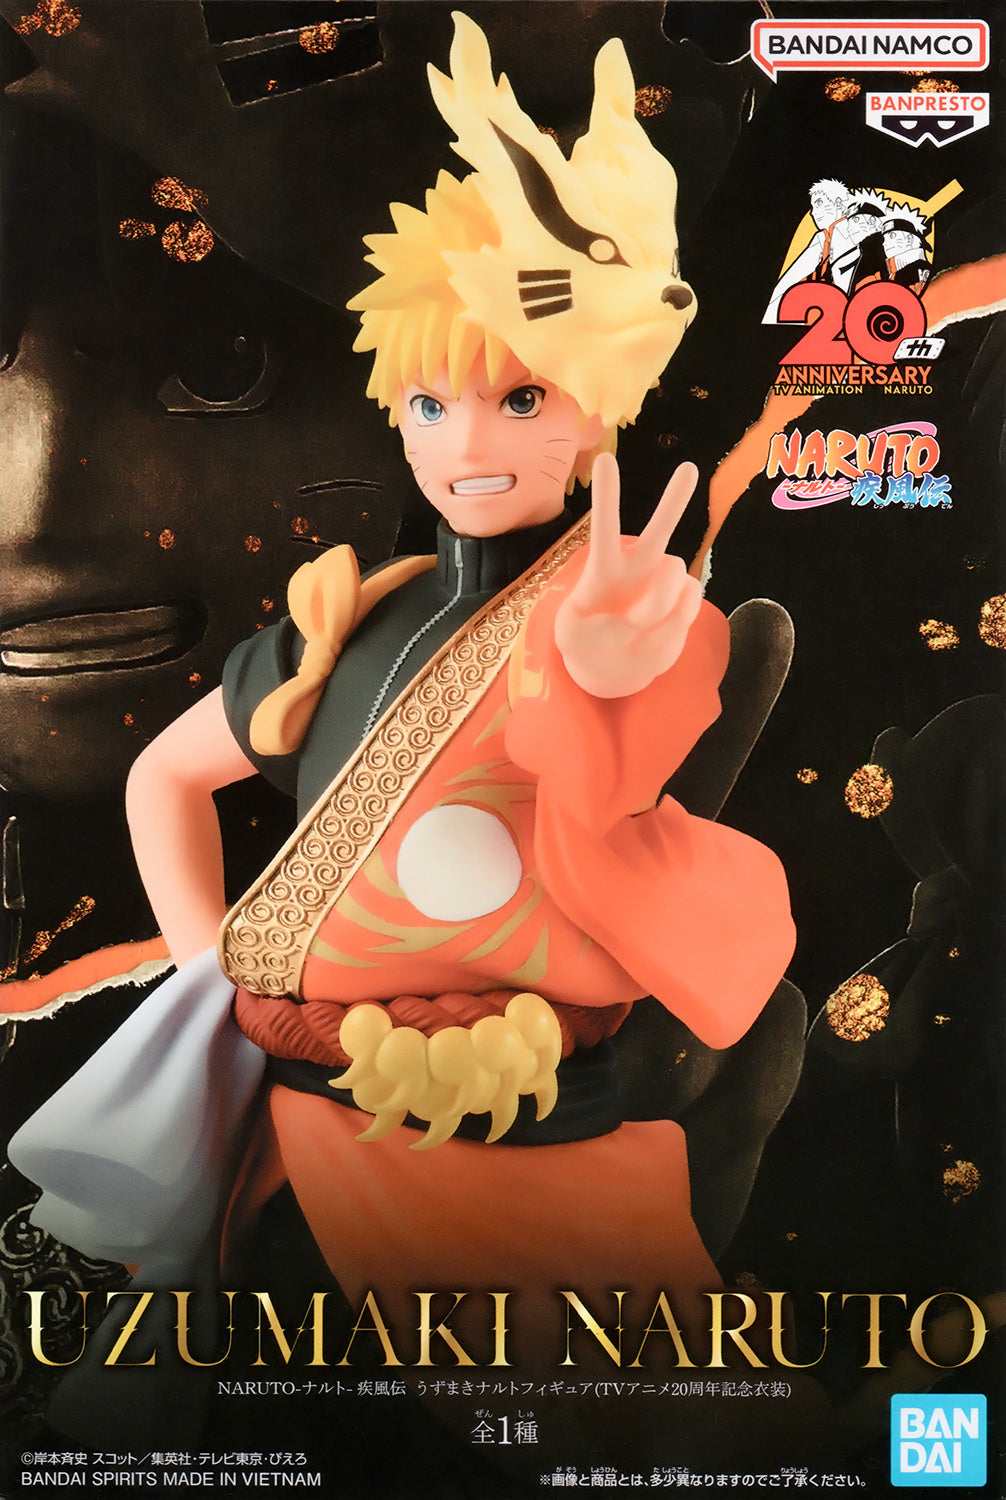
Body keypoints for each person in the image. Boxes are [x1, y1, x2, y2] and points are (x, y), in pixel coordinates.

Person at [13, 7, 796, 1414]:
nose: (468, 443)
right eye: (431, 405)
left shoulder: (633, 618)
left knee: (603, 1420)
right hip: (284, 1119)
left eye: (522, 399)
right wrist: (214, 991)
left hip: (523, 1137)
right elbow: (162, 782)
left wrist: (599, 676)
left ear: (600, 405)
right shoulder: (347, 615)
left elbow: (607, 802)